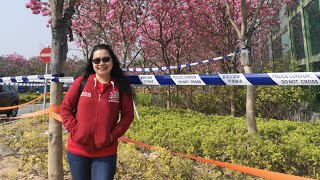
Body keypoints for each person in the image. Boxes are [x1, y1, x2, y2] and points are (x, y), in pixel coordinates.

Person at [60, 44, 134, 180]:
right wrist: (76, 131)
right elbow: (65, 108)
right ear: (92, 63)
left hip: (105, 152)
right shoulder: (81, 82)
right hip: (78, 151)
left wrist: (112, 136)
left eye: (106, 59)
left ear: (112, 61)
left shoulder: (121, 86)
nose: (101, 63)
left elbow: (128, 116)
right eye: (97, 60)